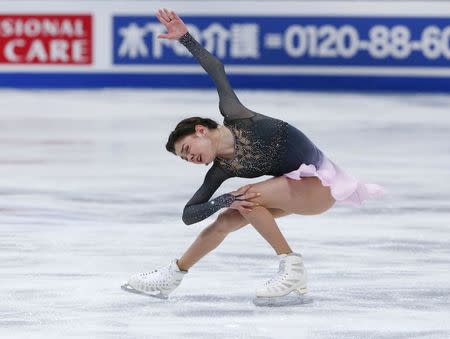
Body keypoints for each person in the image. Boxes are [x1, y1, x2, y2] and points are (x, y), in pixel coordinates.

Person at [122, 8, 385, 301]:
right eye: (184, 159)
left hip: (324, 186)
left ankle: (291, 265)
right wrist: (222, 200)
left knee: (247, 195)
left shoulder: (236, 116)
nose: (189, 159)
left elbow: (216, 70)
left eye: (187, 150)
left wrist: (186, 39)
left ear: (201, 130)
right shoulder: (222, 169)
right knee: (225, 219)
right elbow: (188, 215)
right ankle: (173, 275)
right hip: (295, 189)